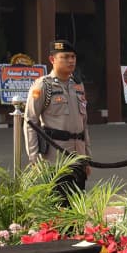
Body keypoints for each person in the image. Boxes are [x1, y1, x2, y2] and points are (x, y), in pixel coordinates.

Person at [24, 40, 91, 203]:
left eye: (73, 57)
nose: (71, 61)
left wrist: (87, 157)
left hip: (78, 156)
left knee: (76, 209)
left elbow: (84, 124)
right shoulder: (43, 86)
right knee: (58, 208)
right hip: (55, 159)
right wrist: (34, 159)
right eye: (65, 57)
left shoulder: (77, 85)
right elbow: (30, 122)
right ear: (52, 59)